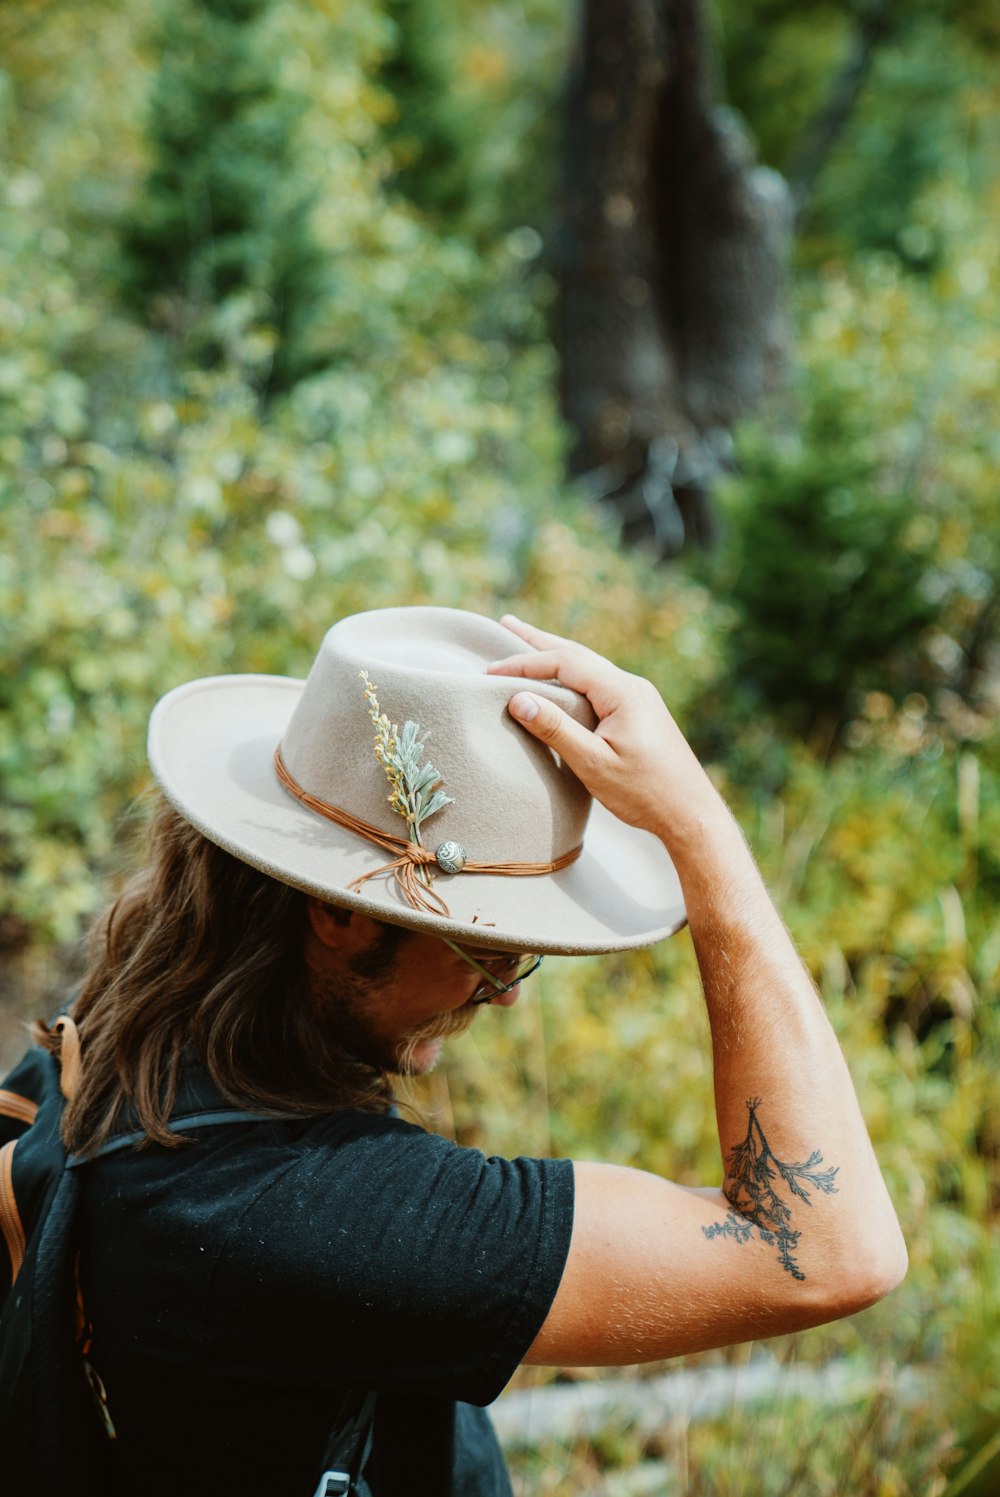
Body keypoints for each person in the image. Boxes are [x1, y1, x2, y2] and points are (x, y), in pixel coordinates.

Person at [37, 605, 906, 1496]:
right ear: (335, 912)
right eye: (485, 952)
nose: (509, 990)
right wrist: (701, 835)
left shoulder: (117, 1038)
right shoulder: (303, 1211)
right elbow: (831, 1250)